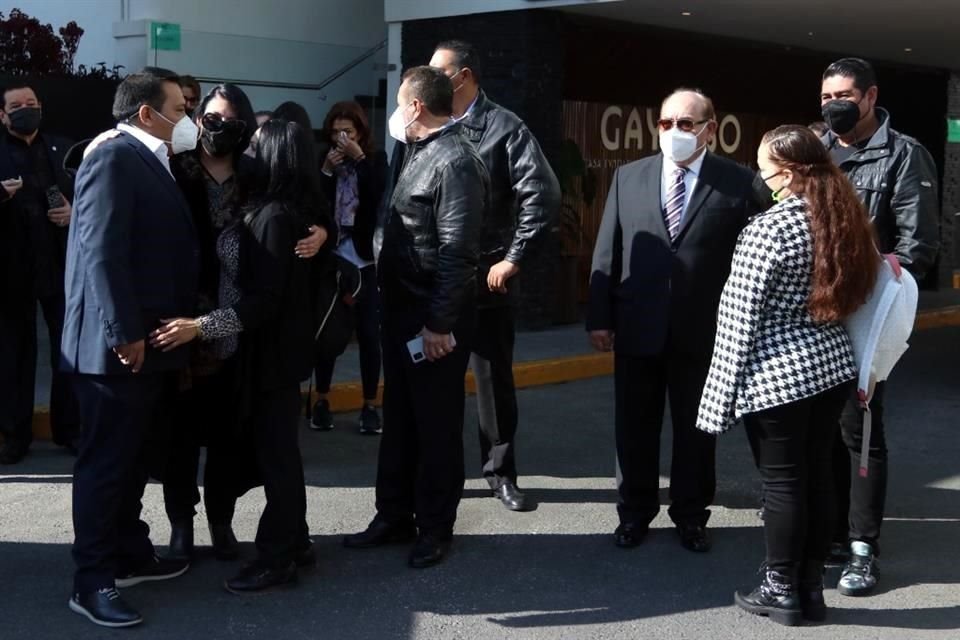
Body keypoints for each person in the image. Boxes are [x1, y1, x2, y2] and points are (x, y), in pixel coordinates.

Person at [698, 125, 878, 625]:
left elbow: (737, 319)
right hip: (832, 368)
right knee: (818, 477)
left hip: (780, 376)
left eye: (765, 167)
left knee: (783, 485)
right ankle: (808, 587)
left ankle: (781, 587)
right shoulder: (842, 220)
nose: (762, 176)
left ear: (790, 173)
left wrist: (716, 405)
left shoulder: (769, 228)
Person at [151, 118, 332, 593]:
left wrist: (201, 327)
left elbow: (263, 303)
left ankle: (278, 557)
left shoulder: (274, 216)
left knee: (278, 461)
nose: (246, 150)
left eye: (255, 144)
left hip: (272, 355)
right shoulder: (273, 208)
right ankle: (296, 543)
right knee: (276, 456)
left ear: (274, 155)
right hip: (268, 353)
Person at [587, 89, 759, 553]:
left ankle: (691, 513)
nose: (675, 132)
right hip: (637, 323)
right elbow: (608, 249)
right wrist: (598, 317)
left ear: (709, 128)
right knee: (634, 426)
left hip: (705, 331)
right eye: (666, 123)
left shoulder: (738, 182)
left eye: (686, 123)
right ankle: (634, 513)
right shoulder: (629, 176)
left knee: (696, 430)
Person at [62, 67, 199, 628]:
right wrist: (124, 333)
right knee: (106, 466)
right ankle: (92, 580)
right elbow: (101, 251)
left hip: (145, 345)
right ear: (147, 113)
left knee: (133, 460)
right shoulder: (113, 156)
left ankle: (129, 552)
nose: (187, 120)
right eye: (178, 108)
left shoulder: (152, 159)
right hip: (115, 347)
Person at [343, 66, 487, 568]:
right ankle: (394, 515)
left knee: (436, 425)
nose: (395, 114)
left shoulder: (456, 162)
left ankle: (434, 527)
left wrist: (440, 325)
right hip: (402, 313)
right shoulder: (417, 151)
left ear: (417, 107)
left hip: (432, 322)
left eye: (400, 103)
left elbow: (457, 253)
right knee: (401, 422)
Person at [819, 57, 941, 596]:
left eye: (843, 95)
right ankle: (825, 531)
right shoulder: (816, 151)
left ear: (870, 97)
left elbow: (919, 246)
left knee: (859, 429)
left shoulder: (903, 155)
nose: (833, 106)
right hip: (812, 313)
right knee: (815, 429)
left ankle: (861, 547)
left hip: (866, 313)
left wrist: (874, 273)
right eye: (825, 98)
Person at [429, 40, 559, 512]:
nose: (428, 79)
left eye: (437, 71)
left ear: (463, 77)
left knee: (492, 384)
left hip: (486, 281)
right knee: (435, 383)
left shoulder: (504, 127)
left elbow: (540, 195)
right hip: (437, 280)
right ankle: (437, 476)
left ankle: (500, 473)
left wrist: (514, 257)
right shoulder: (426, 126)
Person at [0, 82, 81, 463]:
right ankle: (13, 434)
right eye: (16, 105)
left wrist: (73, 212)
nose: (24, 109)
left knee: (67, 350)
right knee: (14, 354)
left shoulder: (64, 150)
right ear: (2, 115)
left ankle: (70, 430)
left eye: (30, 103)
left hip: (59, 265)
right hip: (11, 268)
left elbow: (93, 198)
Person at [310, 101, 387, 434]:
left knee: (370, 334)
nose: (341, 138)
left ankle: (370, 405)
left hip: (365, 258)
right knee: (329, 332)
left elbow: (376, 193)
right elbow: (314, 201)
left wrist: (358, 158)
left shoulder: (374, 159)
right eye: (336, 132)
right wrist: (327, 170)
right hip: (333, 259)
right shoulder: (323, 159)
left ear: (360, 133)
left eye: (348, 132)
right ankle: (321, 400)